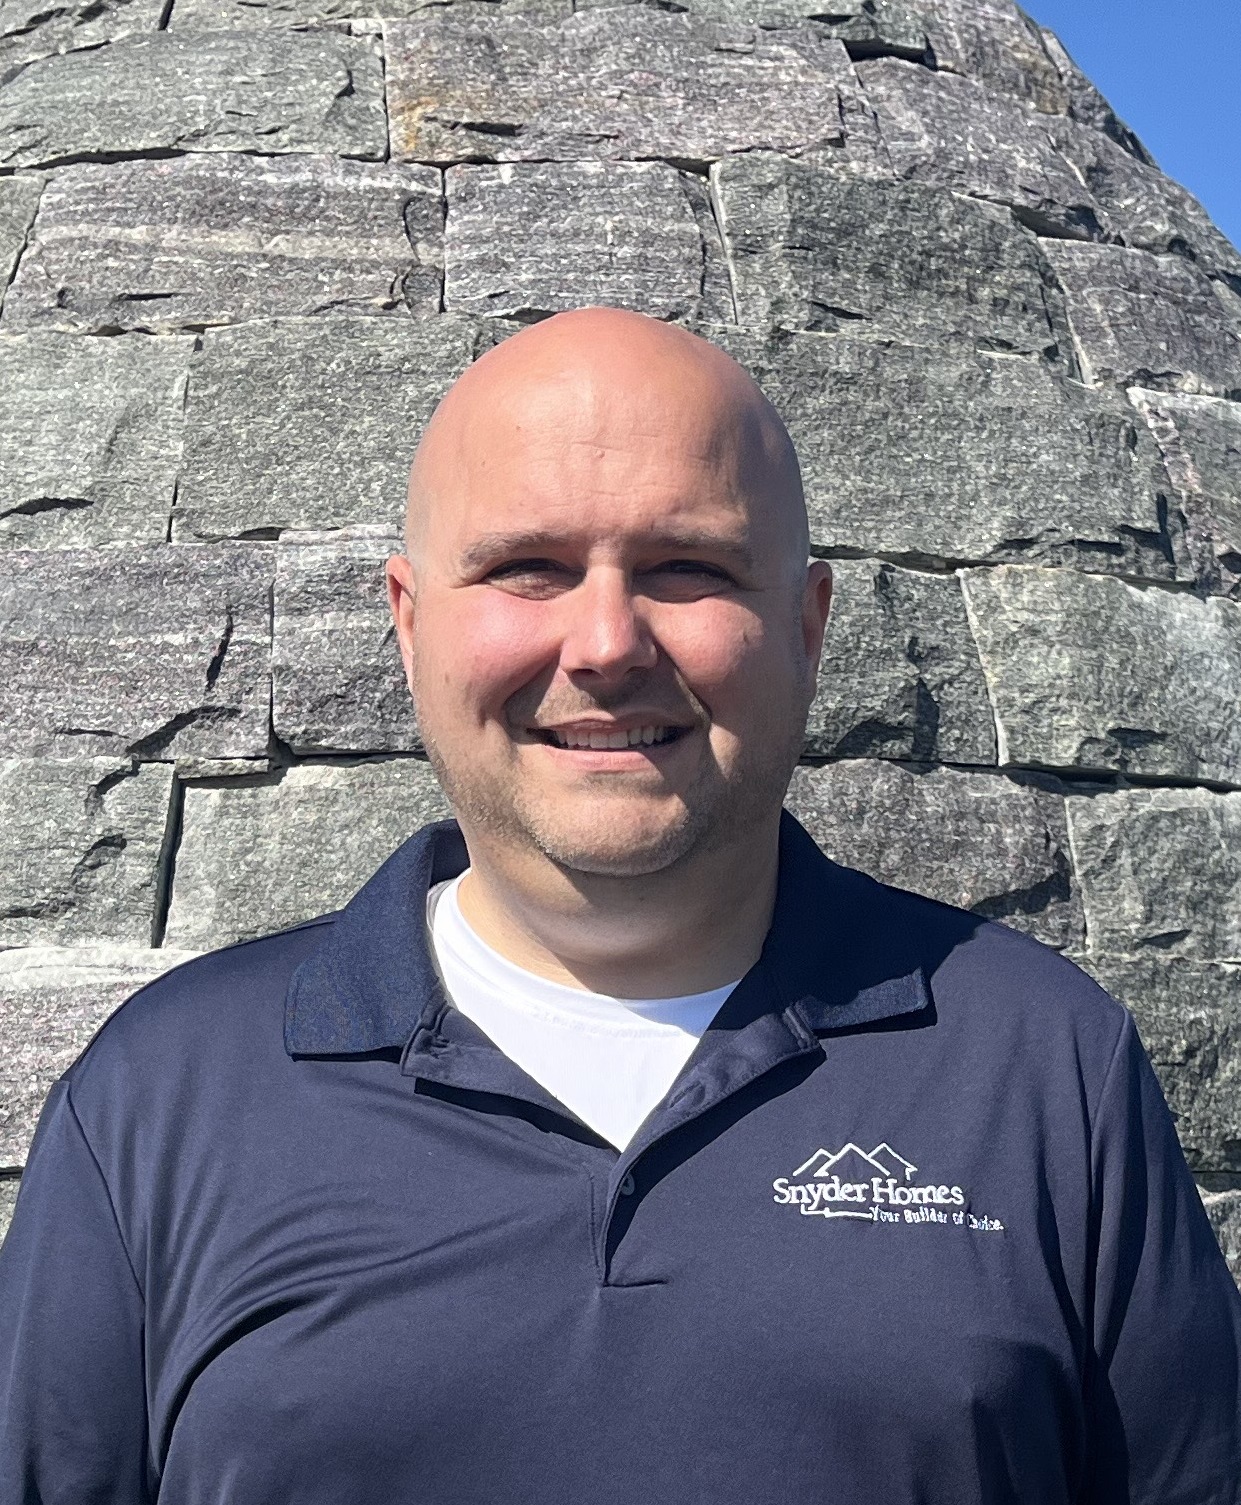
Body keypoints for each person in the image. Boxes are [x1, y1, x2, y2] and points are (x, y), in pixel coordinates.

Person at [1, 305, 1238, 1504]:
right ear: (410, 623)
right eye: (527, 567)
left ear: (804, 625)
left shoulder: (1043, 1070)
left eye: (685, 567)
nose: (604, 642)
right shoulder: (159, 1100)